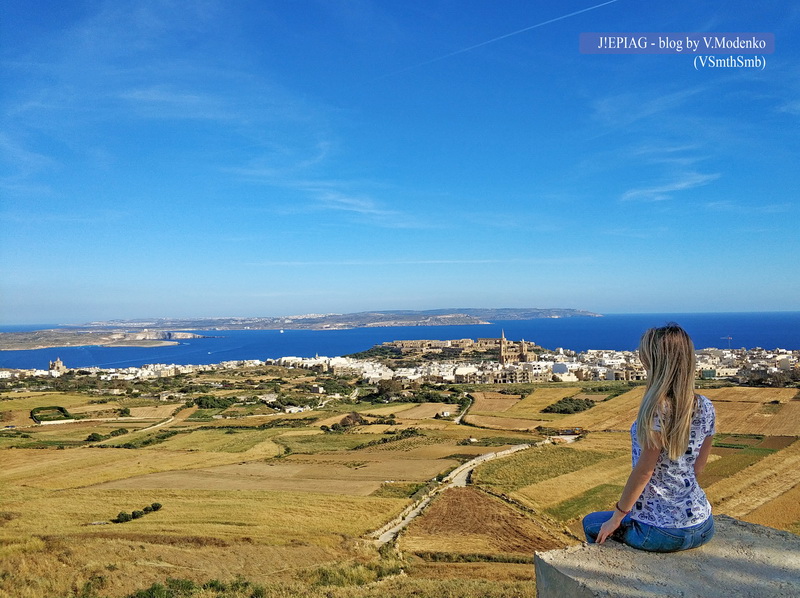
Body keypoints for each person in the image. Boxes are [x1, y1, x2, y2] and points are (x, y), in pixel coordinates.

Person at [582, 323, 716, 552]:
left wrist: (617, 517)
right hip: (703, 524)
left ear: (656, 362)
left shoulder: (658, 409)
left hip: (662, 531)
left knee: (592, 523)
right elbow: (698, 466)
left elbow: (645, 471)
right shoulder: (705, 405)